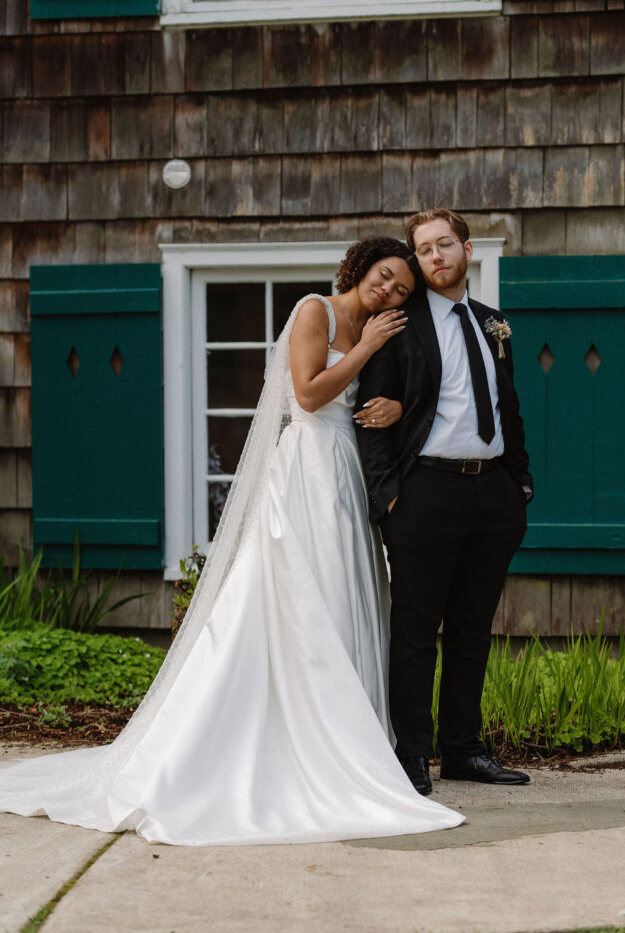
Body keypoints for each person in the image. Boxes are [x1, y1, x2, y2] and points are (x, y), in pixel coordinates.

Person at [0, 236, 464, 846]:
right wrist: (369, 347)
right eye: (384, 277)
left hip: (347, 470)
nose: (390, 292)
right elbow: (308, 393)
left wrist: (397, 405)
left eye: (403, 289)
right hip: (307, 468)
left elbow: (384, 396)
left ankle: (351, 737)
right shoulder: (314, 312)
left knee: (350, 594)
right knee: (308, 592)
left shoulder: (379, 331)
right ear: (359, 269)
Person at [355, 210, 533, 795]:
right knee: (414, 629)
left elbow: (507, 405)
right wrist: (389, 499)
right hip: (424, 492)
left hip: (494, 496)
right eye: (423, 249)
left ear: (466, 249)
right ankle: (411, 756)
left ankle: (463, 750)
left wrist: (520, 483)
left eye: (444, 245)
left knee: (471, 629)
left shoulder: (491, 322)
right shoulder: (397, 324)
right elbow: (372, 417)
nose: (434, 256)